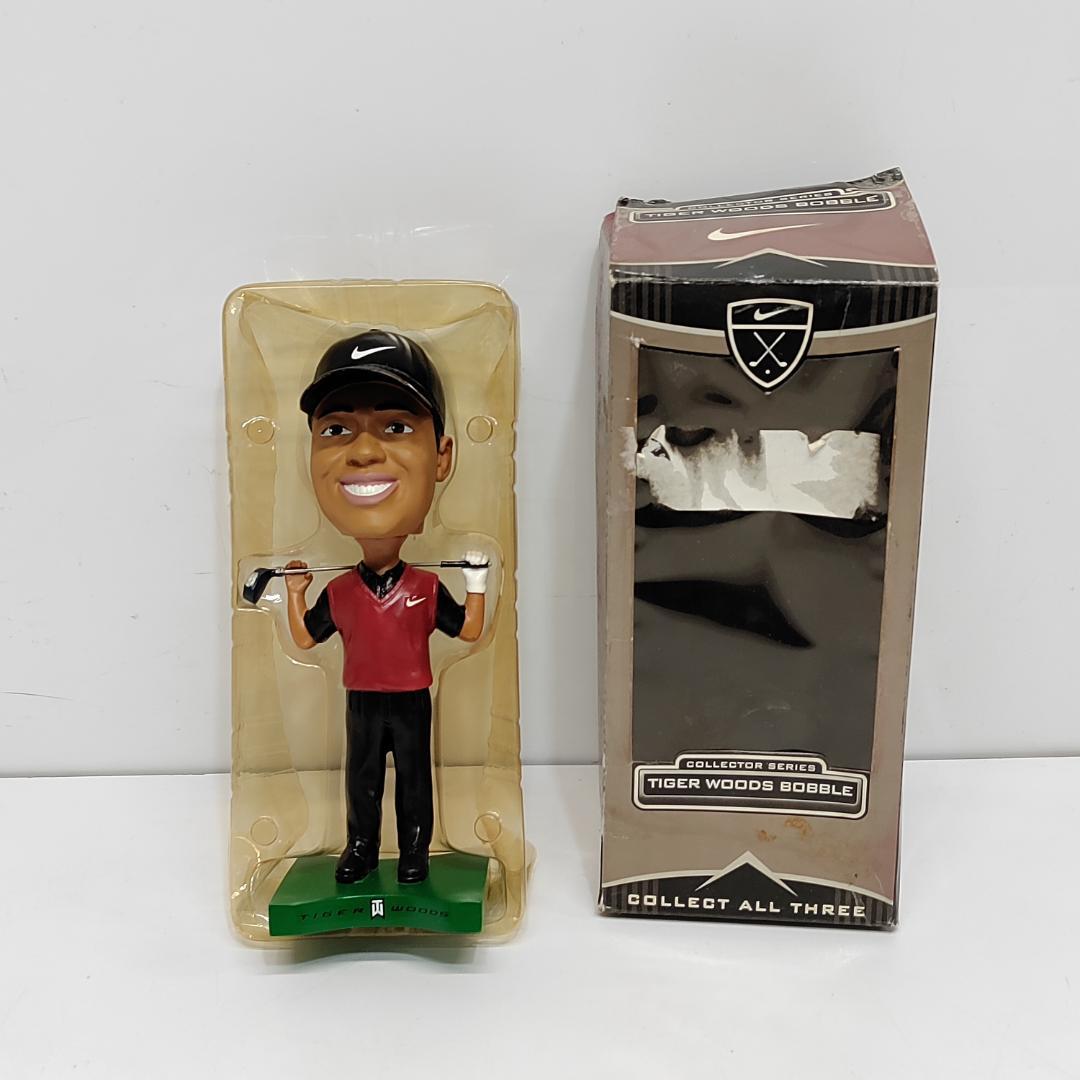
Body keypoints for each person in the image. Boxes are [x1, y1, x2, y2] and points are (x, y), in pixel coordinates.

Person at [283, 329, 488, 885]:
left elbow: (469, 632)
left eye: (396, 426)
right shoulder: (342, 592)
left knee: (415, 779)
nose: (365, 451)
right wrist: (296, 595)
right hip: (363, 702)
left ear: (442, 457)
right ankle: (362, 848)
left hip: (412, 699)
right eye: (335, 429)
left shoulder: (425, 586)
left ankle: (416, 852)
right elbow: (305, 638)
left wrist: (476, 584)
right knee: (363, 779)